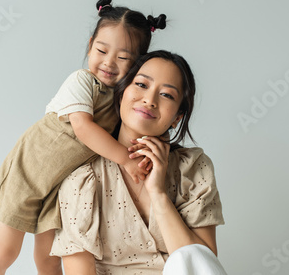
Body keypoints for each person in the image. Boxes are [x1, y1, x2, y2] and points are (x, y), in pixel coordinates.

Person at [0, 0, 167, 275]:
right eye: (102, 50)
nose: (109, 63)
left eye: (123, 58)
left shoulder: (122, 101)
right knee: (5, 252)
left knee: (50, 259)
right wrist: (127, 160)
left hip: (58, 188)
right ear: (90, 46)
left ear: (137, 65)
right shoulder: (81, 81)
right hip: (27, 173)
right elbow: (83, 127)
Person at [51, 50, 228, 274]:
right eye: (142, 85)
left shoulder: (193, 169)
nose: (150, 100)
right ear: (122, 92)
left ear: (177, 118)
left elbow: (202, 266)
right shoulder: (82, 178)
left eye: (167, 95)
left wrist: (158, 193)